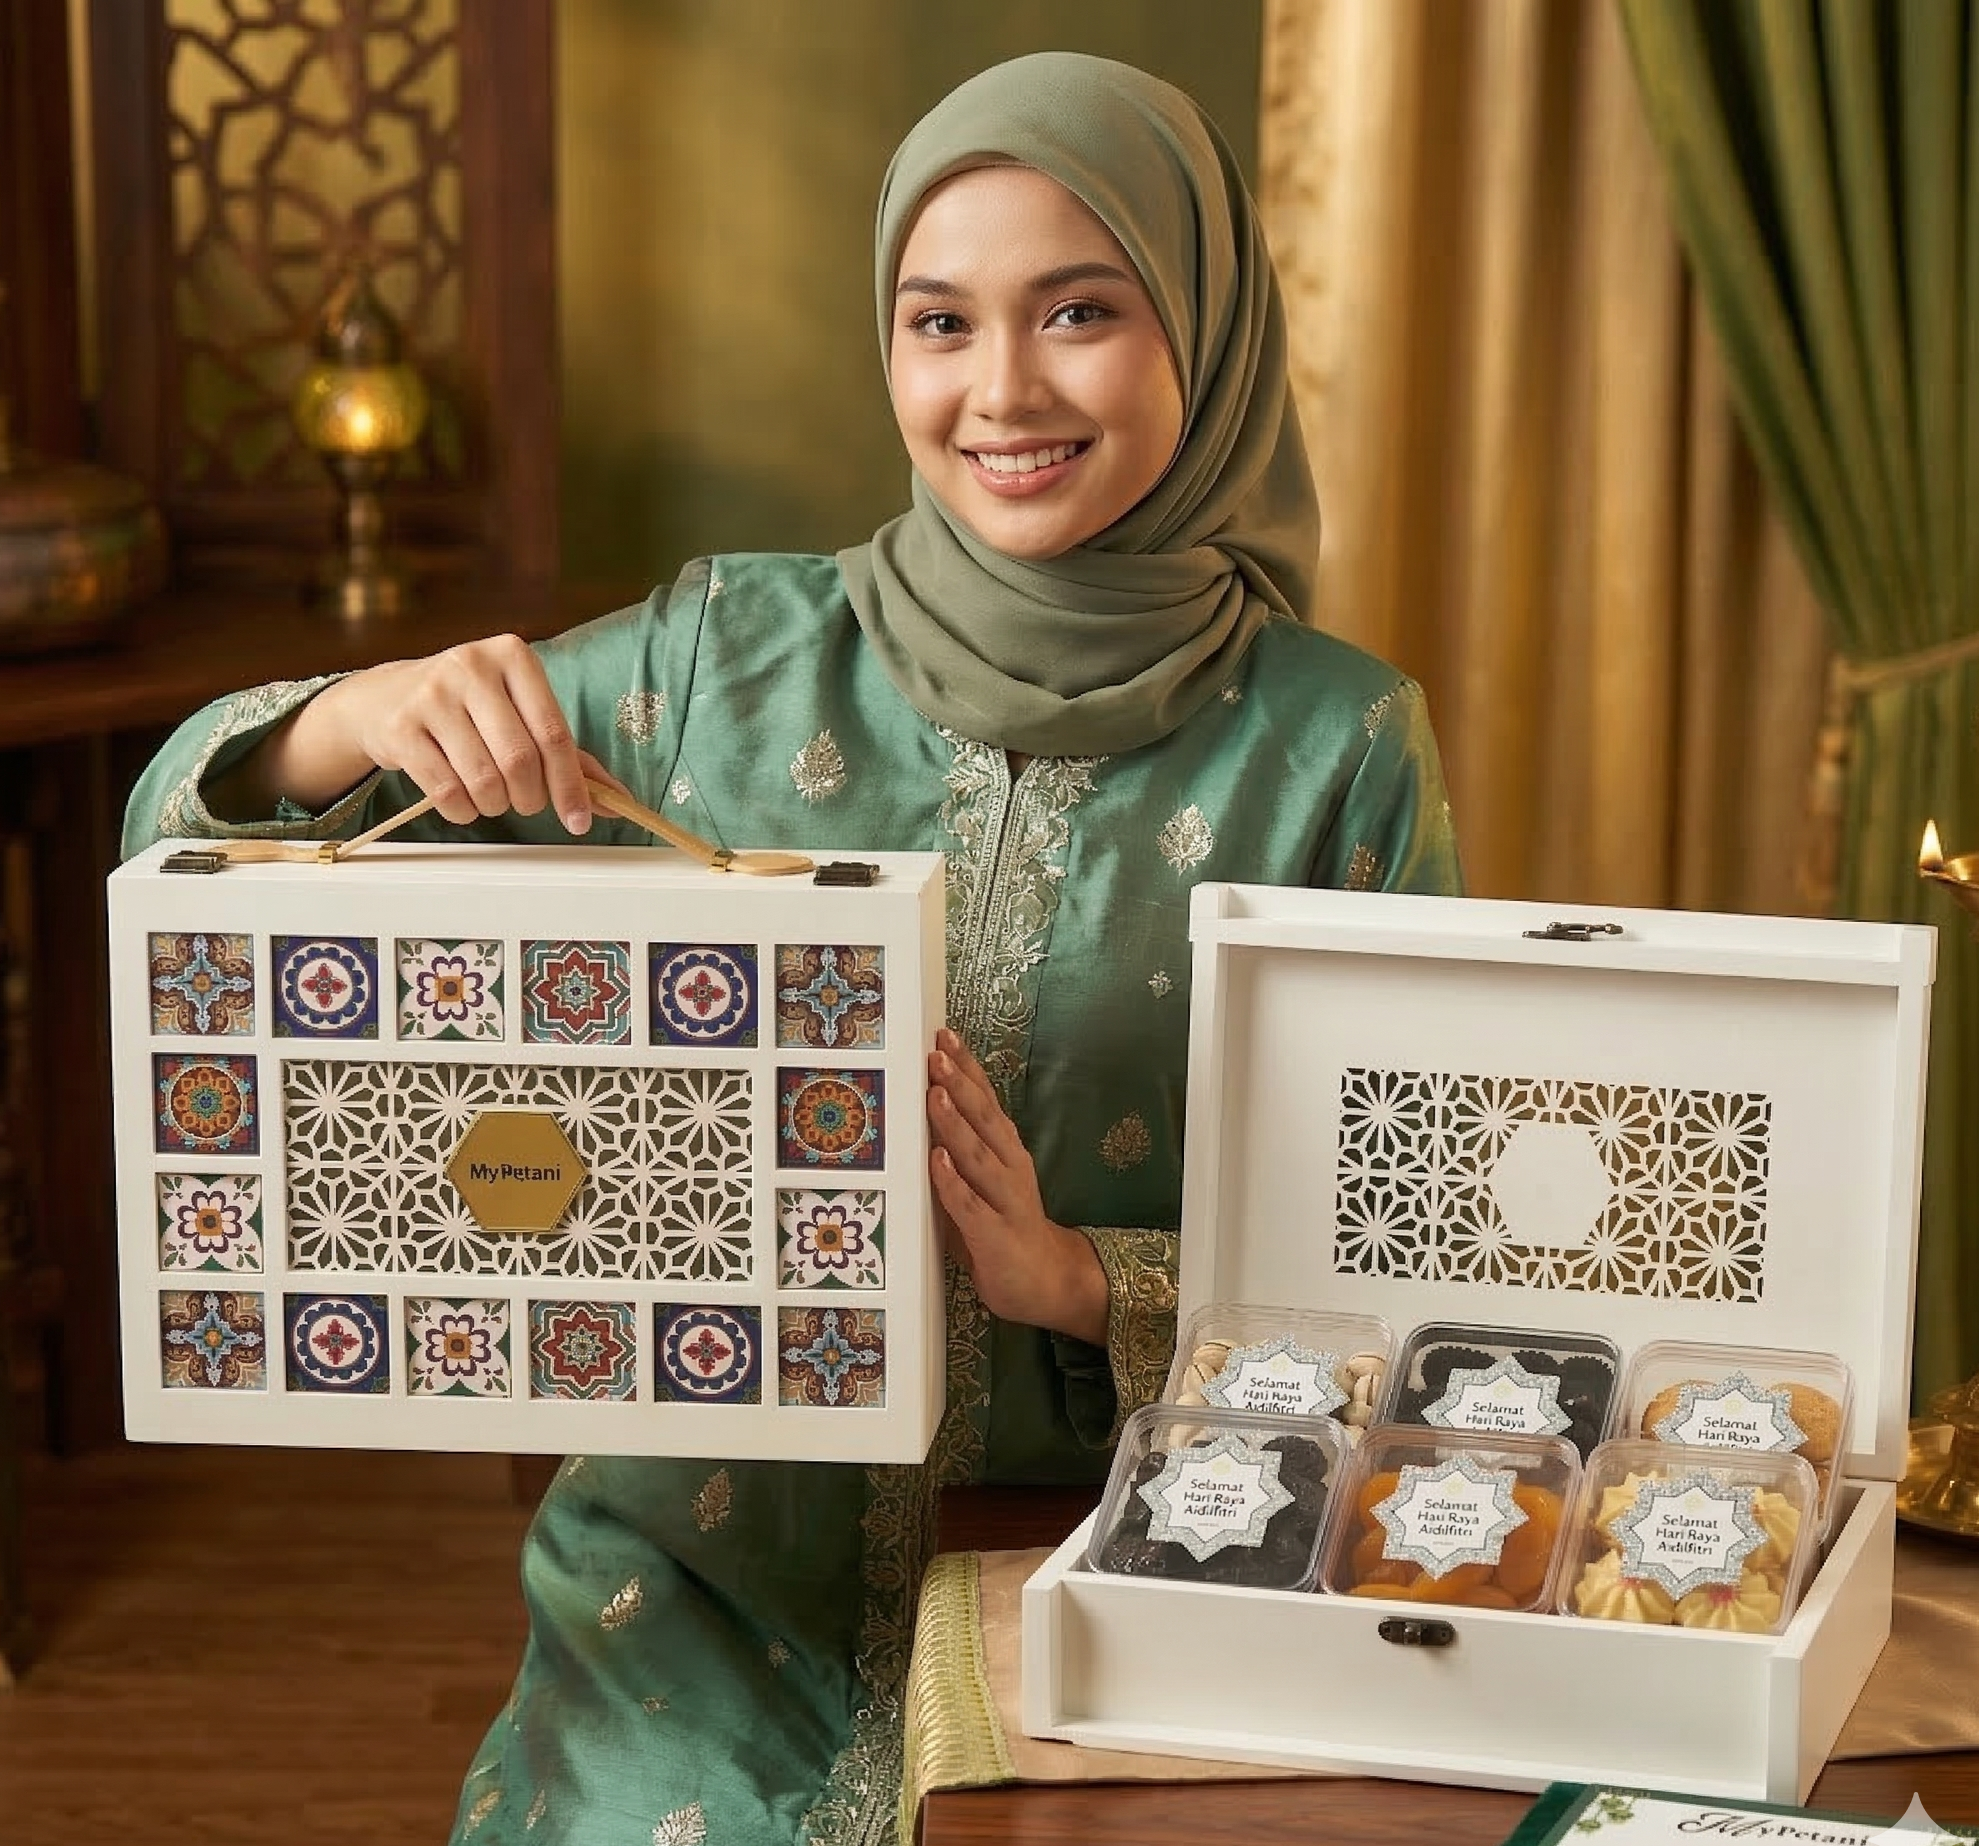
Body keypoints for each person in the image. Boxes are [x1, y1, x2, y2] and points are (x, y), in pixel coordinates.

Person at [123, 50, 1461, 1846]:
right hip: (691, 1604)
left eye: (1079, 311)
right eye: (937, 322)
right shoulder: (707, 665)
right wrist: (358, 715)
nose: (1000, 391)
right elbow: (182, 859)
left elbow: (1407, 1276)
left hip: (1135, 1574)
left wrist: (1087, 1282)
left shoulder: (1335, 749)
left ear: (1204, 331)